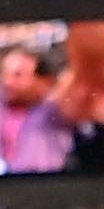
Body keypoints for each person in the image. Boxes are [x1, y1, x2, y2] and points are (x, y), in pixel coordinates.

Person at [0, 47, 76, 176]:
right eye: (4, 74)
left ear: (43, 81)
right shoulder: (4, 106)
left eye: (17, 75)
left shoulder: (54, 110)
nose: (7, 82)